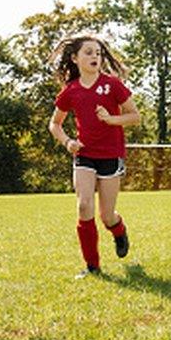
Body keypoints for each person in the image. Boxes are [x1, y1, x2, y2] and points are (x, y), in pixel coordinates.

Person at [48, 34, 140, 278]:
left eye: (98, 53)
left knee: (106, 216)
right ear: (75, 58)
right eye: (88, 52)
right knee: (84, 205)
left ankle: (119, 231)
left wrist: (111, 119)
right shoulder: (71, 91)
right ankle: (92, 267)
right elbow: (55, 124)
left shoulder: (112, 85)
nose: (95, 57)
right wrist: (68, 142)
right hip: (85, 154)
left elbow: (135, 116)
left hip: (111, 154)